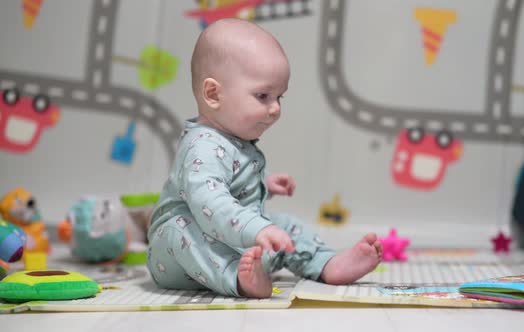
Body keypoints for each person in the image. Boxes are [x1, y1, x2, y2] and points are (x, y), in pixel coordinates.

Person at [147, 18, 382, 298]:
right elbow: (211, 203)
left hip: (231, 237)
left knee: (285, 225)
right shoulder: (202, 147)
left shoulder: (233, 139)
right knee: (182, 230)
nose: (275, 109)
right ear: (213, 94)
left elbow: (228, 186)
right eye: (263, 96)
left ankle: (325, 263)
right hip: (178, 257)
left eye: (279, 97)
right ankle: (237, 277)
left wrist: (263, 185)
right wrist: (258, 228)